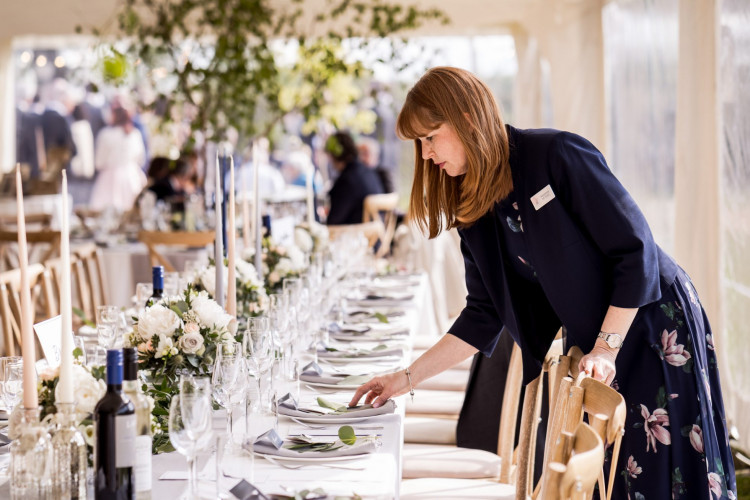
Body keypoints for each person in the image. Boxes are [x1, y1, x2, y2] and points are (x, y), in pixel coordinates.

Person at [349, 67, 737, 500]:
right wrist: (405, 378)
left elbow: (635, 250)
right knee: (621, 474)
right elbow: (483, 315)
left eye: (430, 137)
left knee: (668, 470)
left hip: (651, 318)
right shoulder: (472, 205)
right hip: (598, 344)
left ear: (466, 118)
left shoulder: (554, 154)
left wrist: (607, 346)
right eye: (418, 144)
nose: (424, 155)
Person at [89, 103, 146, 212]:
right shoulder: (135, 134)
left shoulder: (106, 134)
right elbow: (141, 159)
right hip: (131, 176)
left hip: (110, 177)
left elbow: (99, 162)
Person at [325, 131, 384, 225]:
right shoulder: (369, 172)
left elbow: (333, 221)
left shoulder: (347, 180)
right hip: (375, 236)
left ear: (334, 155)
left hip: (355, 236)